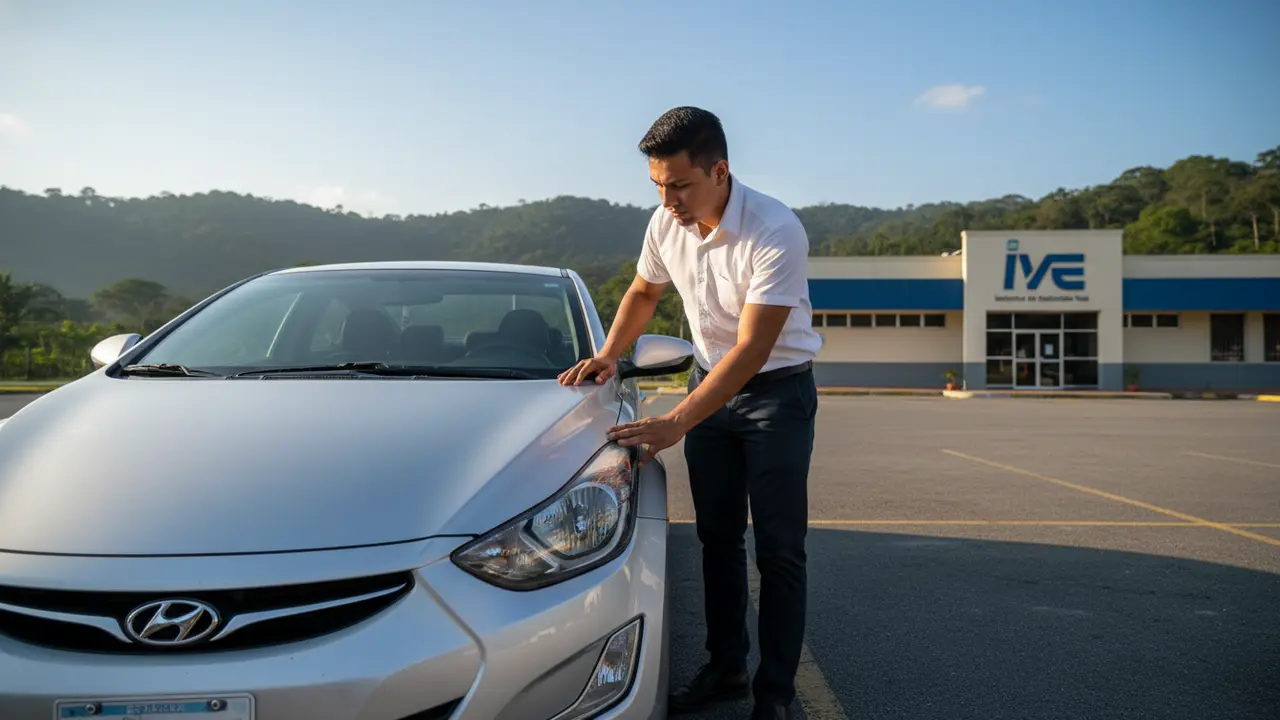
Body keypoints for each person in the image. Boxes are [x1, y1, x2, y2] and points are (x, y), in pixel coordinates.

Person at [558, 106, 821, 720]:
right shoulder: (663, 223)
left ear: (720, 170)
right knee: (718, 540)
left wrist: (679, 420)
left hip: (775, 397)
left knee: (780, 550)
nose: (668, 199)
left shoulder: (774, 229)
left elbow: (755, 348)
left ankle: (775, 696)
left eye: (679, 184)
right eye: (657, 185)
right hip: (710, 383)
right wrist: (608, 356)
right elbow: (644, 291)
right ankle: (726, 668)